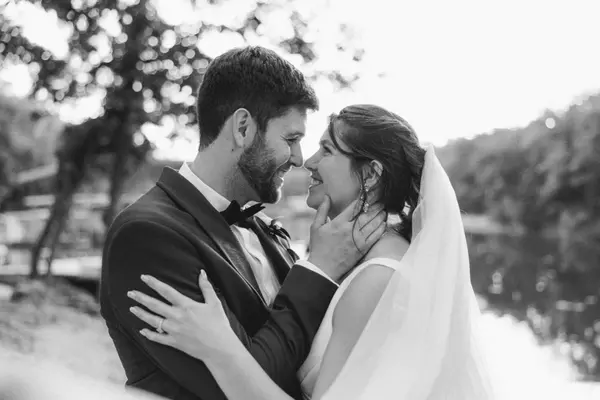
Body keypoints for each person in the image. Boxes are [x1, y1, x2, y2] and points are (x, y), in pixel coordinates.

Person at [128, 104, 497, 400]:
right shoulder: (362, 261)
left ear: (370, 175)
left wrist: (220, 350)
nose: (309, 162)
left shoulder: (378, 280)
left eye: (328, 150)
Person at [100, 48, 387, 400]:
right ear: (242, 128)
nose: (299, 159)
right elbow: (246, 380)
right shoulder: (146, 236)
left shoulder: (262, 225)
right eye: (291, 139)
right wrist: (319, 269)